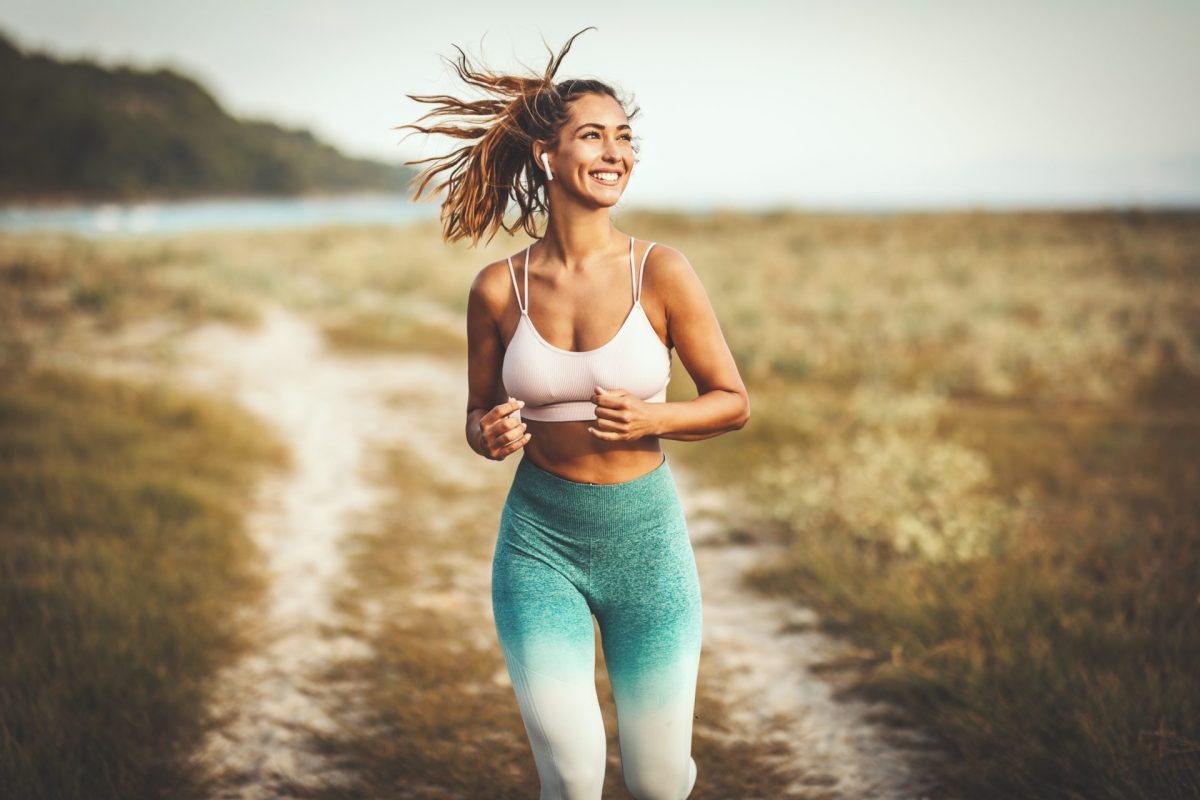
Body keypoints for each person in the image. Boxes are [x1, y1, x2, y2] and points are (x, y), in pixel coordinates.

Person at [398, 27, 749, 800]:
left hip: (645, 542)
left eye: (625, 137)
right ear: (545, 155)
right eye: (593, 135)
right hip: (538, 543)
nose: (615, 152)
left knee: (658, 783)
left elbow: (733, 403)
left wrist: (656, 420)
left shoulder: (663, 271)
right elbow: (477, 415)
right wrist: (487, 434)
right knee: (573, 770)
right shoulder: (497, 289)